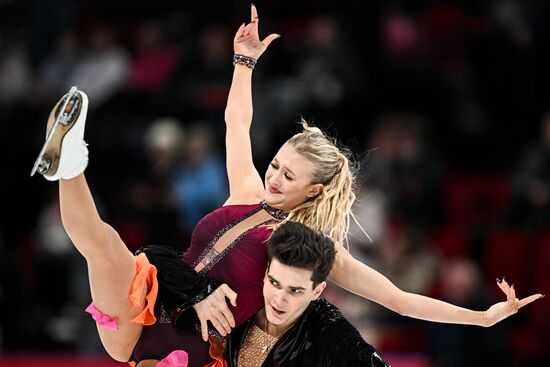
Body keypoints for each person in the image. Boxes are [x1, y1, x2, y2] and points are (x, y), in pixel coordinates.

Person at [31, 4, 543, 367]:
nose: (273, 176)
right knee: (104, 246)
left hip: (186, 347)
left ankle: (70, 161)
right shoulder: (248, 191)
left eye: (287, 175)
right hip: (152, 300)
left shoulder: (312, 254)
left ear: (314, 192)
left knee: (107, 249)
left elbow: (399, 299)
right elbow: (237, 124)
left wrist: (482, 317)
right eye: (276, 164)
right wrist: (244, 63)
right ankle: (69, 160)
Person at [224, 220, 389, 366]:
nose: (279, 299)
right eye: (275, 283)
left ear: (317, 291)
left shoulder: (330, 333)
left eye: (294, 291)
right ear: (266, 274)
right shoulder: (237, 299)